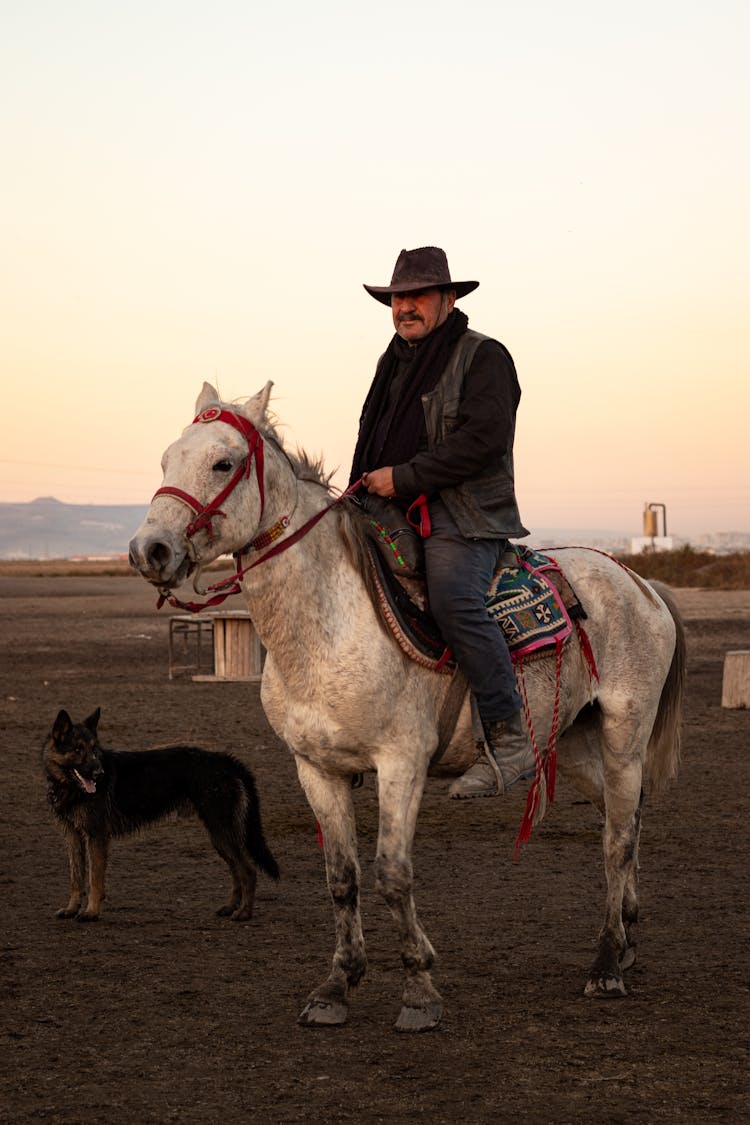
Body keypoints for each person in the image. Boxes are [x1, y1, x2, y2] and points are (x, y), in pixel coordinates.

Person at [349, 246, 535, 799]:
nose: (404, 307)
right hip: (388, 507)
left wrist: (403, 478)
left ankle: (507, 737)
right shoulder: (394, 364)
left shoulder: (484, 357)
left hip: (464, 514)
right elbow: (372, 442)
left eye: (417, 296)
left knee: (454, 601)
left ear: (448, 300)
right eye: (397, 297)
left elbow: (484, 441)